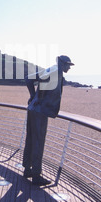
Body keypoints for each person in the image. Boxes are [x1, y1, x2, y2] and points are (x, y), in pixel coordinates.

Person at [22, 55, 74, 186]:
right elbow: (29, 80)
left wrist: (33, 97)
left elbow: (29, 79)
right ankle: (36, 176)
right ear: (62, 63)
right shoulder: (55, 71)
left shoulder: (52, 70)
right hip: (40, 111)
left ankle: (27, 169)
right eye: (68, 64)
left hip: (34, 108)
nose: (69, 67)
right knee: (38, 142)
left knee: (30, 139)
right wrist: (34, 96)